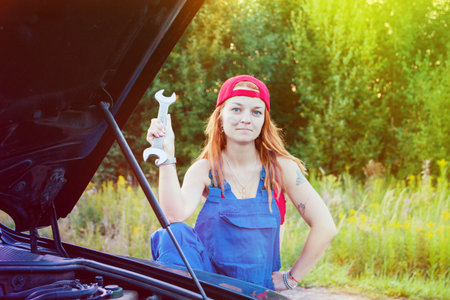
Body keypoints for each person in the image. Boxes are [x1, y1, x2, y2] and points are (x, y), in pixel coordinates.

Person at [146, 75, 337, 291]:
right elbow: (173, 217)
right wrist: (166, 156)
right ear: (220, 117)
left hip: (253, 290)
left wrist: (290, 279)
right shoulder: (205, 170)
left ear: (264, 120)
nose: (246, 118)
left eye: (256, 112)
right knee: (175, 234)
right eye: (236, 109)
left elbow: (325, 226)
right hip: (206, 288)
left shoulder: (281, 169)